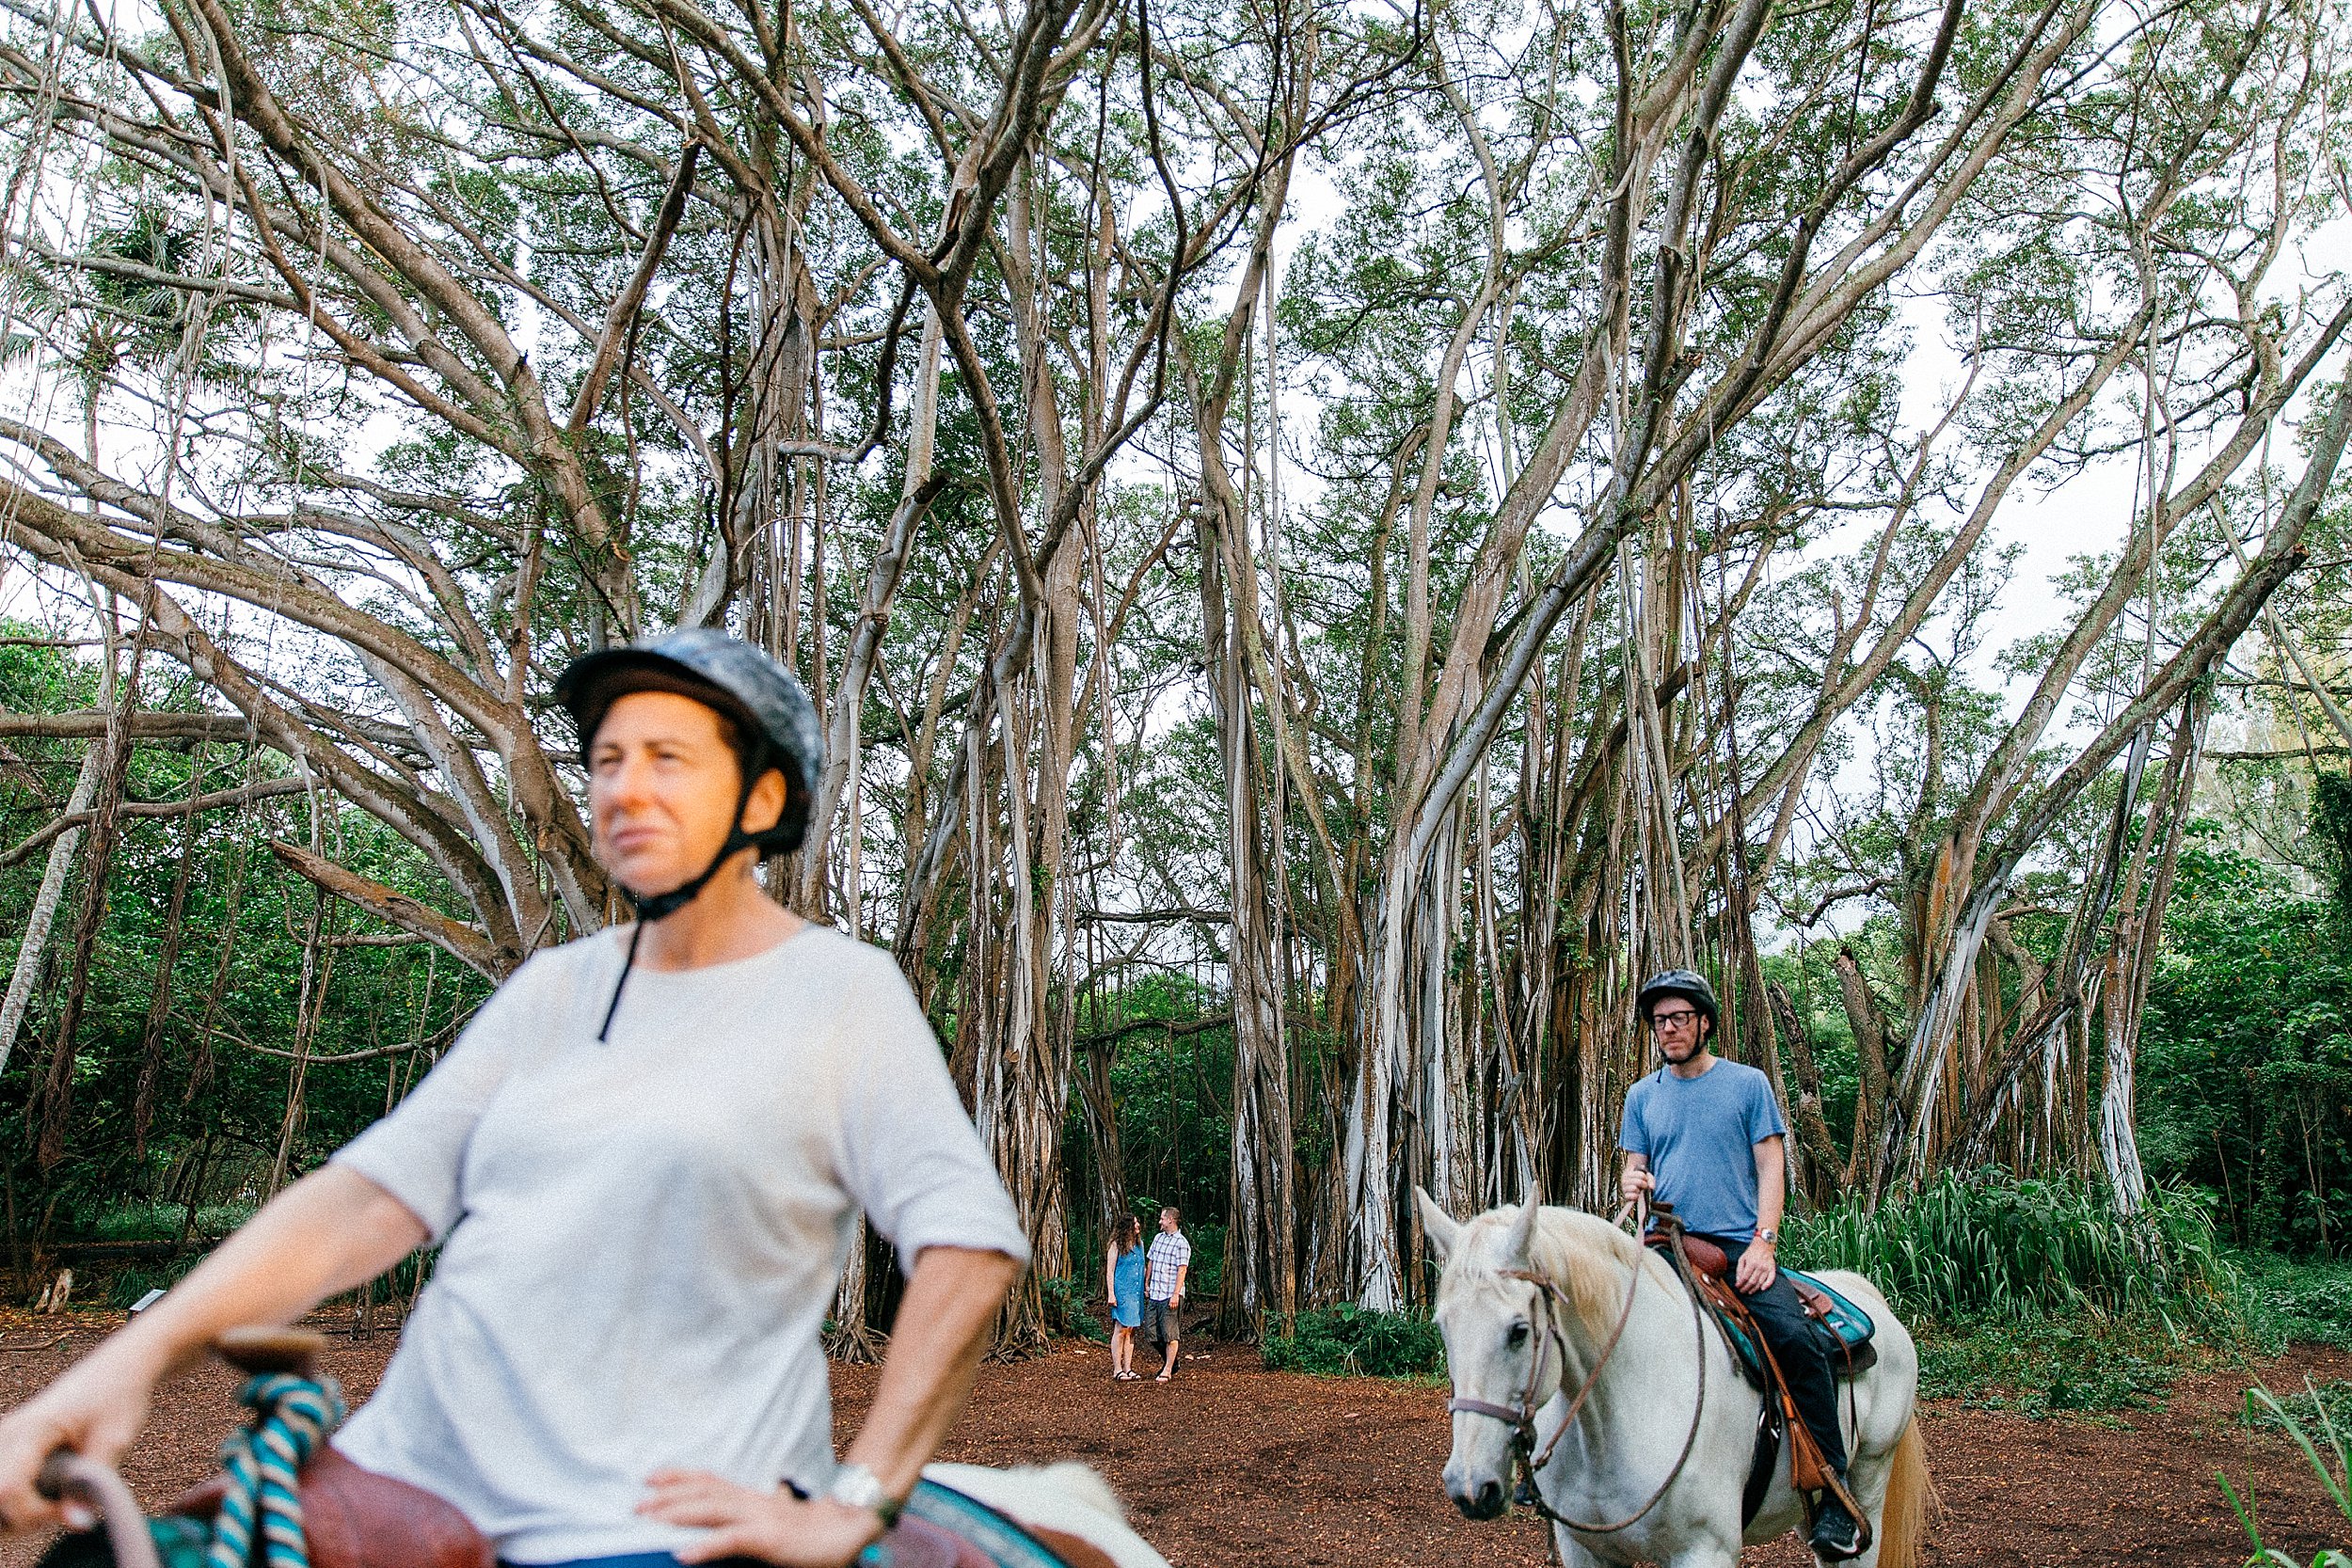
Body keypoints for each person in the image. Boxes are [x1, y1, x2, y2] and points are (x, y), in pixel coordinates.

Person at [0, 629, 1031, 1568]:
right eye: (607, 761)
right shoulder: (554, 987)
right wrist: (124, 1363)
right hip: (404, 1476)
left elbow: (968, 1244)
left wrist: (857, 1495)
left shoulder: (841, 991)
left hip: (643, 1524)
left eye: (667, 758)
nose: (622, 789)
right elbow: (365, 1202)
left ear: (762, 801)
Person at [1617, 968, 1862, 1560]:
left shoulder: (1747, 1085)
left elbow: (1771, 1165)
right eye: (1659, 1021)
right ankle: (1544, 1465)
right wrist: (1632, 1179)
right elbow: (1633, 1169)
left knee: (1796, 1339)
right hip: (1662, 1244)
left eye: (1678, 1019)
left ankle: (1833, 1491)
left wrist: (1764, 1244)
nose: (1668, 1029)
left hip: (1732, 1251)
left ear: (1705, 1022)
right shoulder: (1642, 1095)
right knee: (1584, 1325)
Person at [1140, 1208, 1189, 1384]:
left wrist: (1176, 1294)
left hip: (1170, 1294)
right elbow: (1151, 1261)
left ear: (1170, 1220)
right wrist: (1147, 1282)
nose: (1160, 1222)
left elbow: (1182, 1270)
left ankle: (1168, 1369)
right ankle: (1172, 1361)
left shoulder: (1181, 1243)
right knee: (1151, 1332)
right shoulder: (1158, 1238)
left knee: (1170, 1334)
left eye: (1162, 1219)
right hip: (1156, 1293)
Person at [1104, 1217, 1146, 1382]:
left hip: (1136, 1292)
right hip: (1123, 1291)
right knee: (1120, 1329)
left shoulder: (1139, 1245)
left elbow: (1143, 1267)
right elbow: (1110, 1271)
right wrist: (1111, 1294)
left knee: (1131, 1330)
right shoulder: (1116, 1246)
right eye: (1134, 1223)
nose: (1137, 1225)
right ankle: (1117, 1369)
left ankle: (1128, 1368)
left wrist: (1146, 1286)